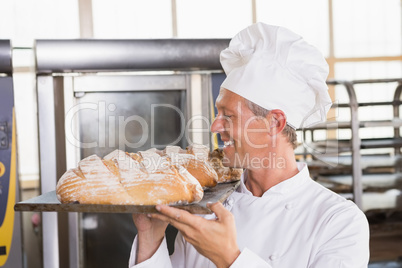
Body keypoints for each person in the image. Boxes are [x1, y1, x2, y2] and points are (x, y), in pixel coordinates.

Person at [128, 22, 370, 268]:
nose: (215, 127)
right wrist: (150, 236)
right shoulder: (208, 204)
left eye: (228, 115)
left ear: (274, 123)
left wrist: (229, 258)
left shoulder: (339, 222)